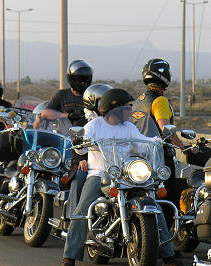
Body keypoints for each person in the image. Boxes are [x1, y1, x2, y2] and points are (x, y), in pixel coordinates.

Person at [62, 88, 182, 266]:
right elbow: (81, 148)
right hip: (100, 174)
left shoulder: (129, 127)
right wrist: (80, 141)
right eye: (127, 107)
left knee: (153, 204)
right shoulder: (94, 126)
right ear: (115, 108)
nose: (130, 111)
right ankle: (69, 256)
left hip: (127, 174)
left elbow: (142, 143)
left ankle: (168, 255)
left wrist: (157, 141)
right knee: (82, 210)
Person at [132, 59, 185, 231]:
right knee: (168, 198)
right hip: (159, 156)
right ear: (164, 75)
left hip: (137, 156)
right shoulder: (159, 100)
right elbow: (165, 128)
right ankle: (166, 243)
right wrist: (181, 144)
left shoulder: (138, 100)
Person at [65, 83, 113, 219]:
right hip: (84, 164)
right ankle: (74, 217)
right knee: (80, 175)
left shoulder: (113, 123)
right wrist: (82, 159)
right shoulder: (81, 123)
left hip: (109, 165)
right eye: (102, 102)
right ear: (92, 103)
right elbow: (76, 146)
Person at [41, 60, 93, 126]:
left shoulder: (91, 96)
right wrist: (67, 116)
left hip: (86, 134)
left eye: (85, 79)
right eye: (79, 79)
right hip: (64, 135)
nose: (83, 83)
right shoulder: (61, 95)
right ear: (71, 78)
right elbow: (45, 113)